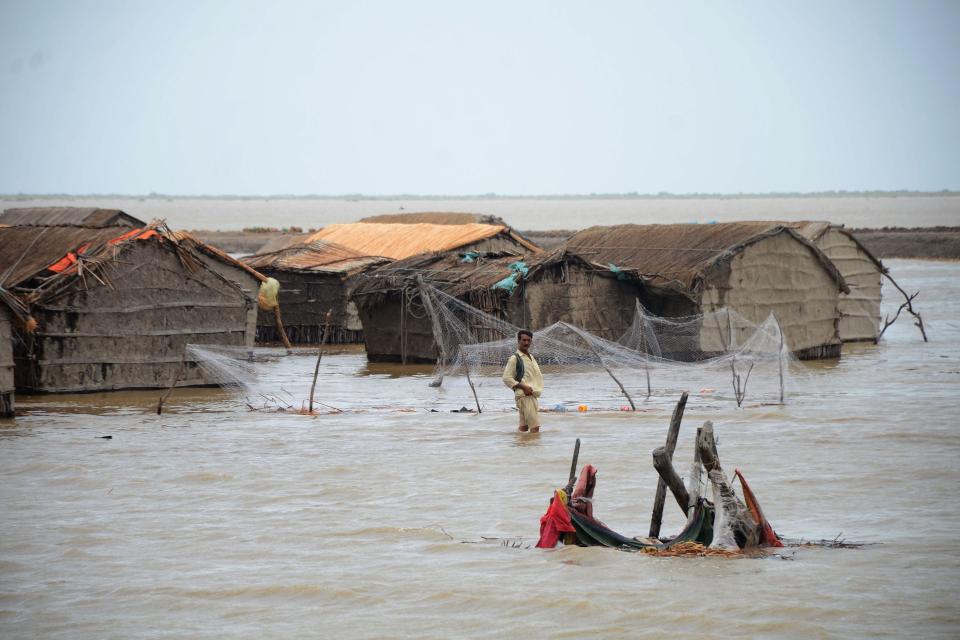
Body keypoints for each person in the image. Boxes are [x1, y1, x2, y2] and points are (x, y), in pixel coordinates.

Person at [502, 329, 543, 433]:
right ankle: (534, 448)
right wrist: (524, 387)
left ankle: (520, 446)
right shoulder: (514, 358)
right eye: (524, 340)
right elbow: (506, 378)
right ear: (518, 341)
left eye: (528, 340)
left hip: (531, 395)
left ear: (531, 341)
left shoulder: (531, 357)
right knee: (535, 428)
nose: (526, 343)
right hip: (525, 396)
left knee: (524, 428)